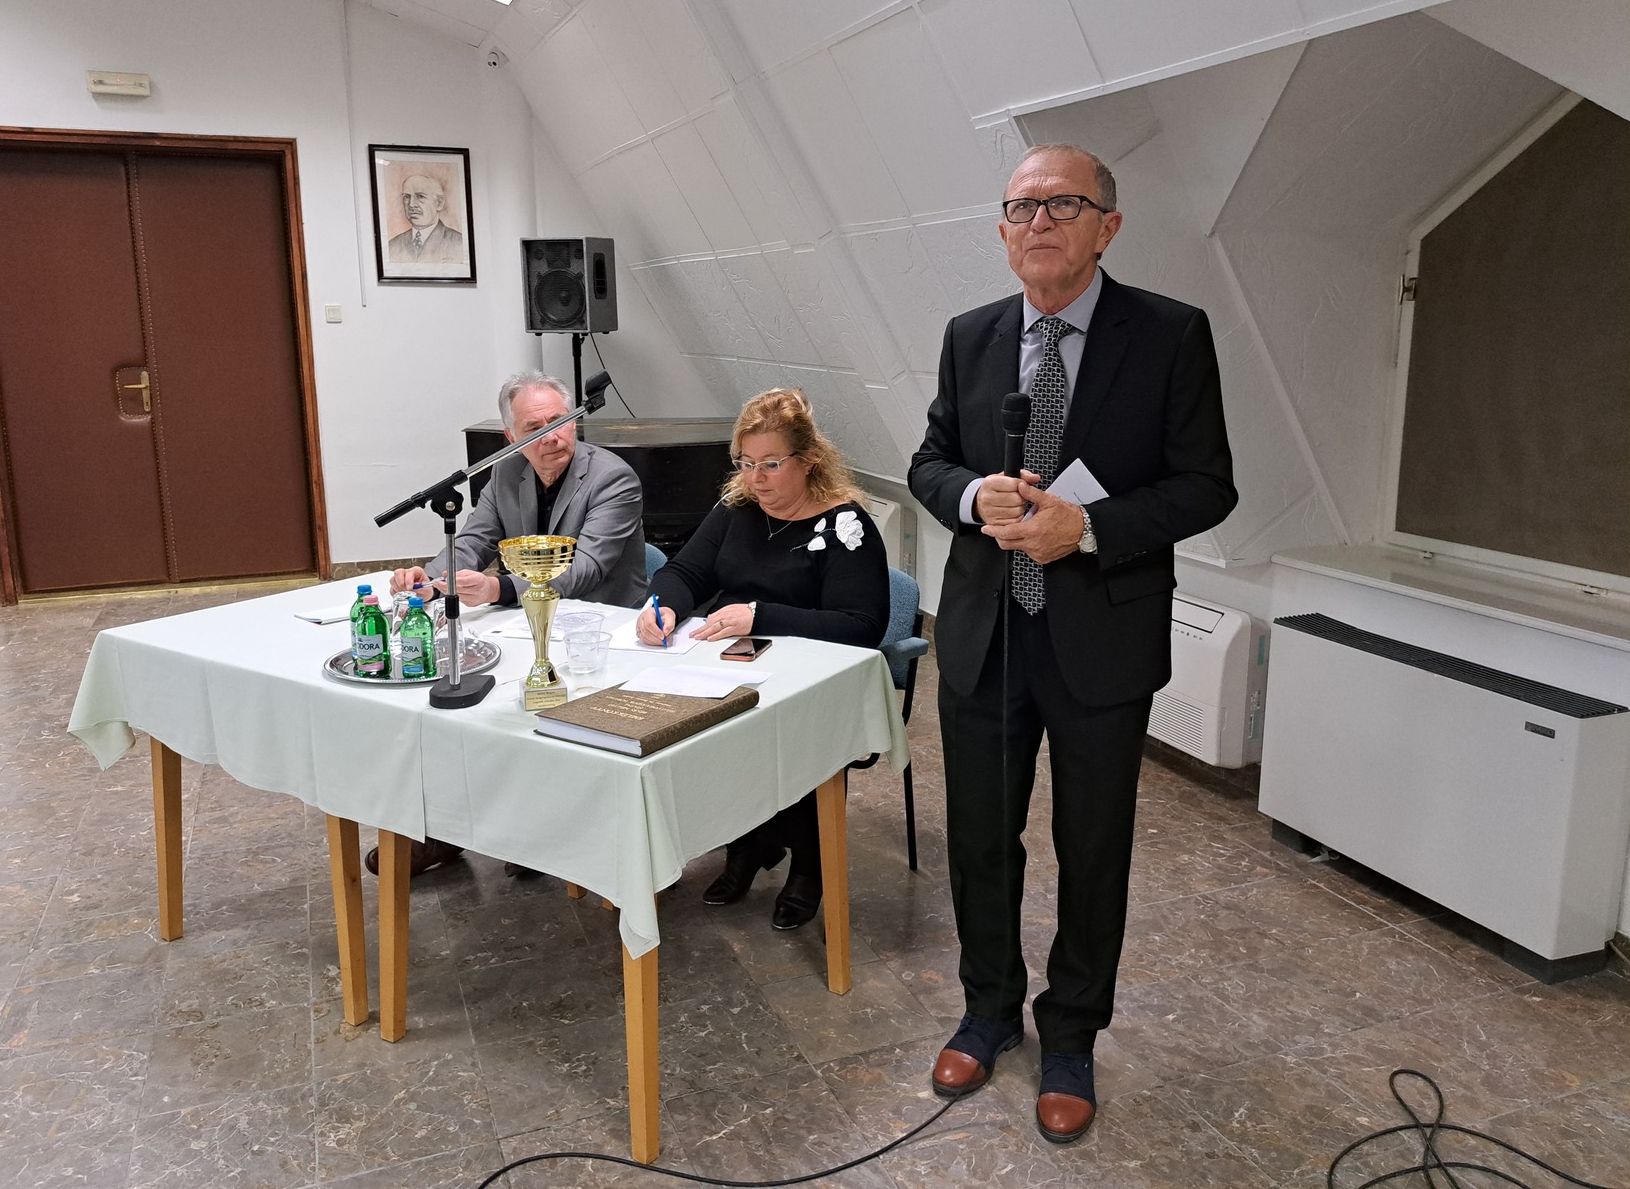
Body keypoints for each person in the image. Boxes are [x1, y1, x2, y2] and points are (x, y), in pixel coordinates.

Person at [907, 144, 1236, 1144]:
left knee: (1092, 847)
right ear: (1003, 231)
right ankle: (987, 1008)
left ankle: (1072, 1033)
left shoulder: (1170, 333)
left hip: (1101, 637)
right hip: (984, 631)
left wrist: (1085, 528)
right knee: (979, 836)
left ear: (1107, 227)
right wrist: (974, 494)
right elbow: (929, 461)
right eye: (1021, 207)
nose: (1039, 221)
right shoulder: (970, 335)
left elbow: (1206, 484)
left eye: (1062, 203)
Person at [368, 370, 649, 879]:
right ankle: (449, 829)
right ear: (511, 436)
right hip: (525, 622)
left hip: (595, 630)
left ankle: (535, 832)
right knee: (457, 703)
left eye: (559, 421)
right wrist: (432, 580)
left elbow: (587, 569)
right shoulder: (505, 474)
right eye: (534, 428)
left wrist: (497, 589)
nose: (551, 436)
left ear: (575, 422)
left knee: (508, 706)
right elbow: (475, 541)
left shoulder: (613, 478)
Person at [636, 389, 889, 930]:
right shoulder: (737, 509)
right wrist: (663, 606)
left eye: (771, 464)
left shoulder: (845, 527)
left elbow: (861, 626)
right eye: (746, 463)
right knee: (709, 731)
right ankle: (746, 844)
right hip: (740, 668)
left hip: (817, 683)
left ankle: (810, 864)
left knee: (794, 734)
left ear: (809, 459)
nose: (756, 479)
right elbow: (684, 571)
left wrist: (759, 614)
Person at [385, 173, 467, 264]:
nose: (411, 204)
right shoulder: (392, 246)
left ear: (439, 203)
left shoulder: (459, 243)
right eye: (406, 197)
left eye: (420, 196)